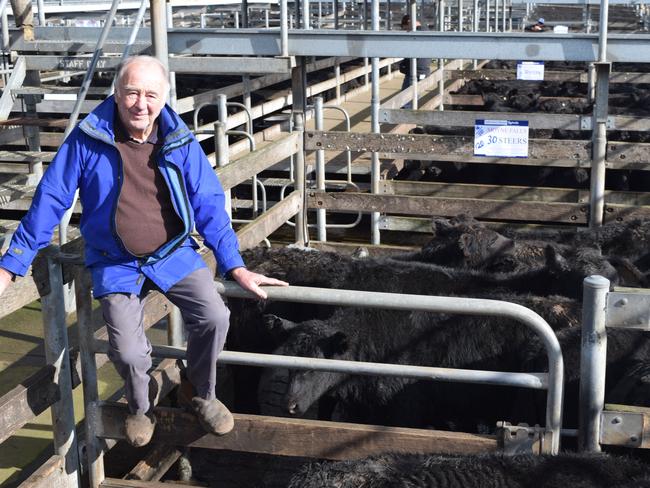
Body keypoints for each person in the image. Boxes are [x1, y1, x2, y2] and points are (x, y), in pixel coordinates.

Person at [0, 55, 288, 447]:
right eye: (132, 92)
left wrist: (234, 265)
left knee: (216, 316)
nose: (141, 103)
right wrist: (10, 266)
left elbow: (208, 202)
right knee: (131, 353)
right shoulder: (88, 139)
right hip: (115, 260)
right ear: (116, 94)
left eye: (151, 94)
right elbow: (50, 199)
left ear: (164, 97)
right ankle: (141, 405)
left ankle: (200, 391)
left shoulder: (178, 138)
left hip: (173, 251)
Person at [398, 15, 432, 108]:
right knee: (412, 96)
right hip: (421, 70)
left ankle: (406, 119)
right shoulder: (425, 31)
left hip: (416, 70)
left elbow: (413, 52)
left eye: (406, 28)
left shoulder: (417, 33)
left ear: (410, 22)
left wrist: (404, 65)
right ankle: (408, 116)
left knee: (407, 98)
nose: (407, 31)